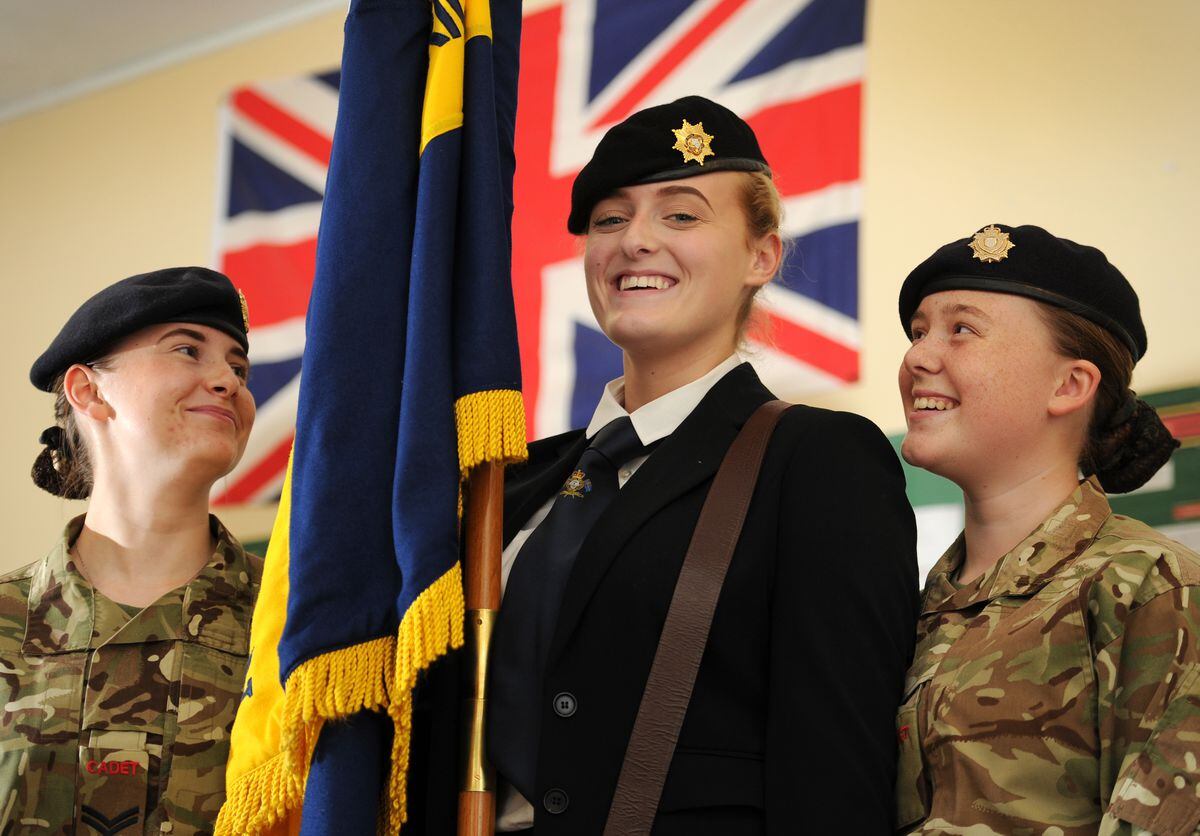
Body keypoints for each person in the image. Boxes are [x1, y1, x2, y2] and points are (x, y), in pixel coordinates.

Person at [413, 96, 917, 835]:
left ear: (761, 256)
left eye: (680, 215)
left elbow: (836, 770)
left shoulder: (815, 460)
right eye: (610, 220)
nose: (635, 241)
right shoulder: (510, 483)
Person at [893, 223, 1200, 834]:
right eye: (920, 331)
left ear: (1070, 385)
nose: (917, 357)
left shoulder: (1148, 585)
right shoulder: (917, 604)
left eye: (962, 330)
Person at [0, 267, 263, 835]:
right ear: (89, 390)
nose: (228, 381)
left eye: (238, 368)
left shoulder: (292, 624)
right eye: (189, 350)